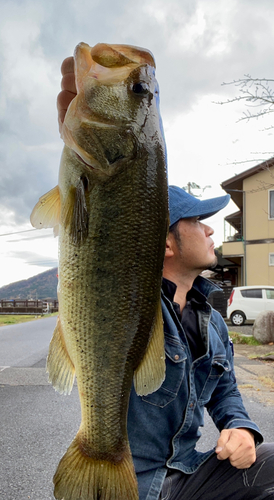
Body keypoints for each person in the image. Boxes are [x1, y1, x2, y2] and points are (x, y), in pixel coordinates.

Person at [57, 57, 274, 500]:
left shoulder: (211, 319)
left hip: (190, 471)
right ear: (167, 243)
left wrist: (240, 427)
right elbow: (100, 229)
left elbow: (227, 388)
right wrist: (96, 143)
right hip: (137, 484)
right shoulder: (132, 306)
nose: (213, 229)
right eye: (198, 220)